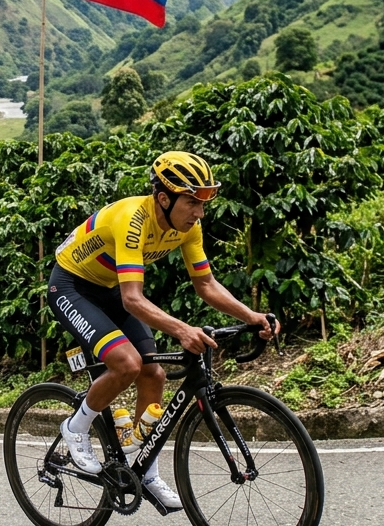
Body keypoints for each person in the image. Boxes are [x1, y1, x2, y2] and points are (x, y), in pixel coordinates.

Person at [47, 151, 278, 509]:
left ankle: (146, 473)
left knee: (153, 374)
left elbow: (206, 284)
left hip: (109, 288)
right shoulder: (132, 219)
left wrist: (252, 316)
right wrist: (182, 329)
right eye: (191, 202)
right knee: (126, 363)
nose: (199, 212)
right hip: (72, 286)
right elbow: (133, 300)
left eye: (203, 203)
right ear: (164, 198)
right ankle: (75, 428)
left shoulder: (188, 227)